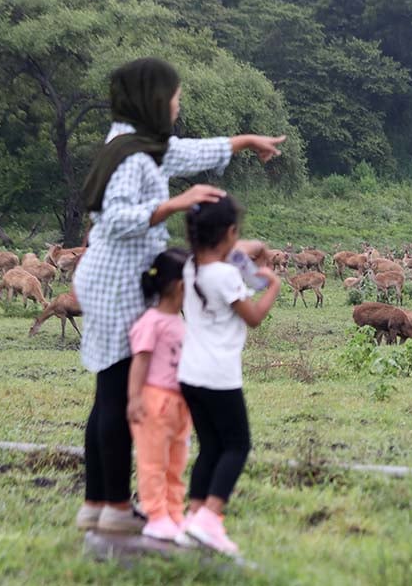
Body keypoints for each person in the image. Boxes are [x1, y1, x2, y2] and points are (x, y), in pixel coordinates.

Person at [72, 58, 284, 534]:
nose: (177, 105)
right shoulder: (130, 155)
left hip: (121, 276)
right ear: (152, 100)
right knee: (116, 392)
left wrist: (247, 142)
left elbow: (187, 152)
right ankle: (115, 509)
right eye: (173, 98)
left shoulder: (141, 143)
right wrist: (175, 204)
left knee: (109, 390)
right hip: (115, 280)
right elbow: (116, 218)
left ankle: (96, 503)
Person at [177, 195, 280, 555]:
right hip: (219, 375)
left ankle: (193, 516)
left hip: (189, 374)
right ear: (229, 233)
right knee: (237, 445)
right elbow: (252, 317)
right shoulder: (225, 275)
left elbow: (241, 248)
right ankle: (211, 517)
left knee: (210, 446)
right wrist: (273, 287)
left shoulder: (190, 266)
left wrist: (254, 246)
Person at [126, 248, 191, 542]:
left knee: (176, 462)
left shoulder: (181, 323)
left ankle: (174, 512)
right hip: (155, 402)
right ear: (181, 286)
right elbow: (140, 361)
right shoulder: (151, 322)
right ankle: (155, 515)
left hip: (180, 405)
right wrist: (134, 398)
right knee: (153, 462)